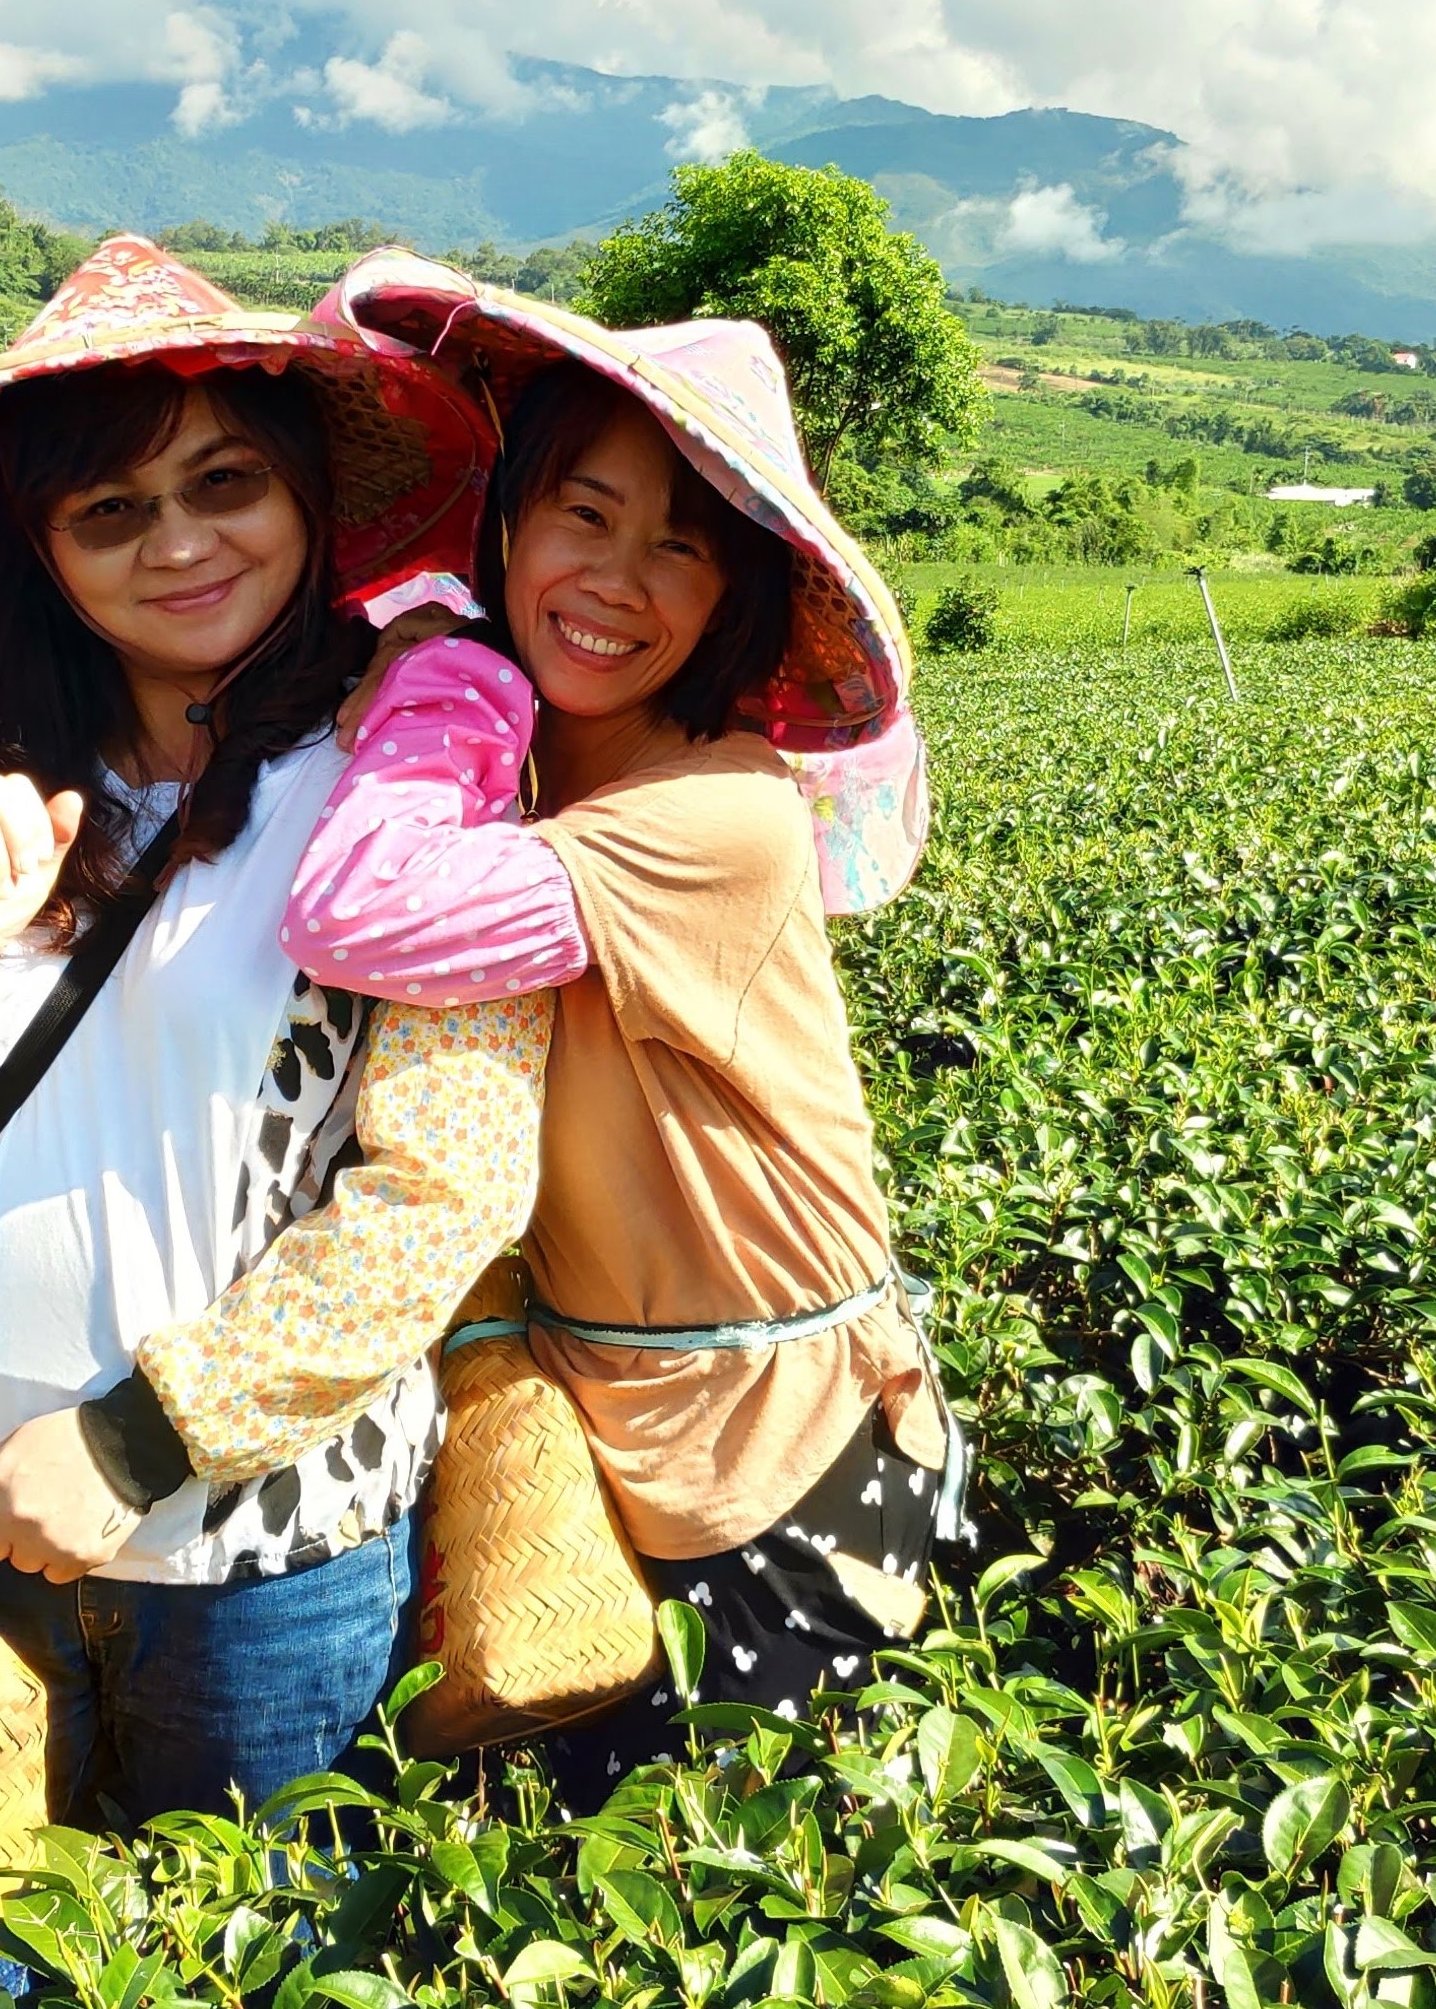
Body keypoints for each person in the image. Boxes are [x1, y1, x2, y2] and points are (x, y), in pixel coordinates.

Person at [0, 236, 551, 1828]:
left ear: (303, 495)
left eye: (224, 482)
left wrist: (128, 1444)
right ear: (46, 552)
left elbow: (444, 1190)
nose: (179, 543)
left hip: (251, 1570)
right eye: (112, 510)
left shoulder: (409, 783)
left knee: (242, 1954)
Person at [270, 255, 962, 1800]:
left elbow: (357, 907)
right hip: (603, 1426)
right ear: (514, 522)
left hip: (783, 1453)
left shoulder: (710, 814)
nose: (617, 576)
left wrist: (439, 679)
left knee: (689, 1882)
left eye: (683, 546)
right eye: (585, 513)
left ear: (737, 595)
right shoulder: (538, 782)